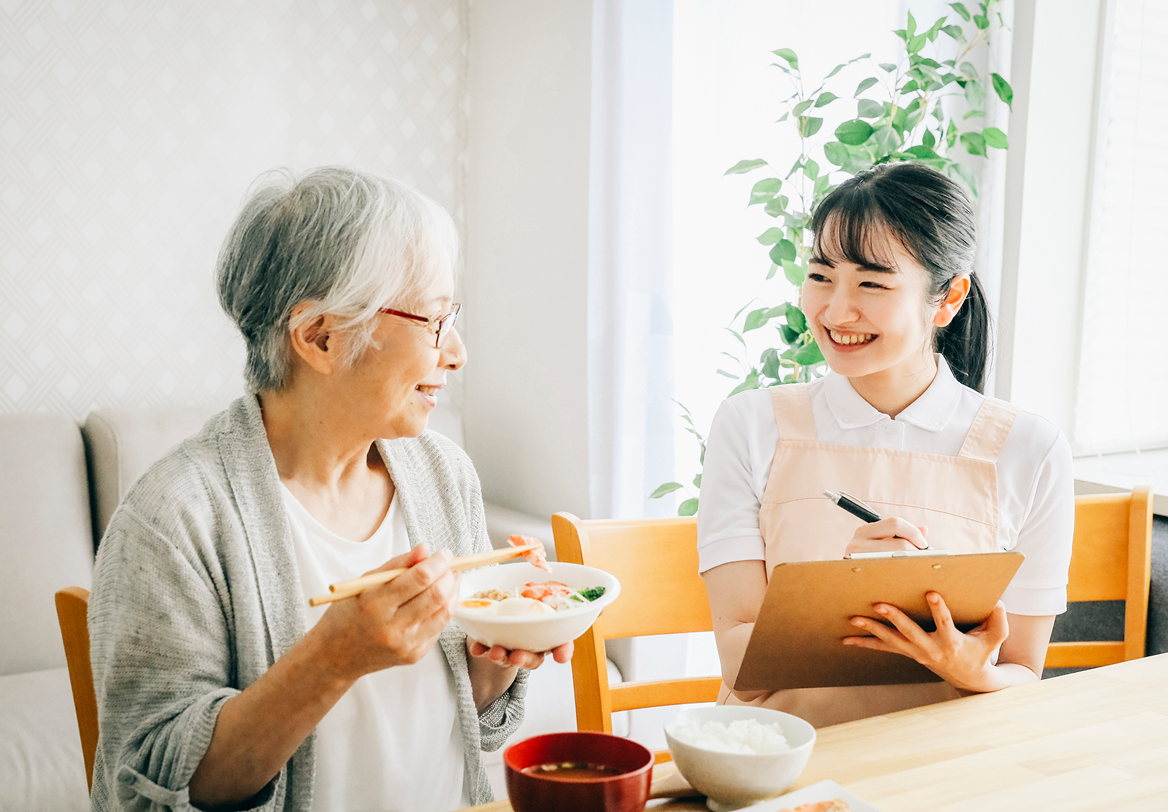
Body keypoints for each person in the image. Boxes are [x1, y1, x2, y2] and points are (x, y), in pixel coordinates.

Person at [87, 166, 570, 812]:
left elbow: (457, 718)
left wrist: (502, 652)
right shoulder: (176, 518)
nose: (456, 352)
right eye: (433, 321)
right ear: (320, 337)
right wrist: (331, 659)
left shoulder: (443, 475)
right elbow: (151, 790)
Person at [698, 162, 1074, 727]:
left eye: (871, 283)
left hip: (943, 766)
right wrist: (848, 591)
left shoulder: (1030, 449)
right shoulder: (751, 424)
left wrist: (975, 672)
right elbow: (741, 667)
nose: (834, 310)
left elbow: (1022, 670)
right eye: (821, 275)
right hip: (778, 755)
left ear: (948, 299)